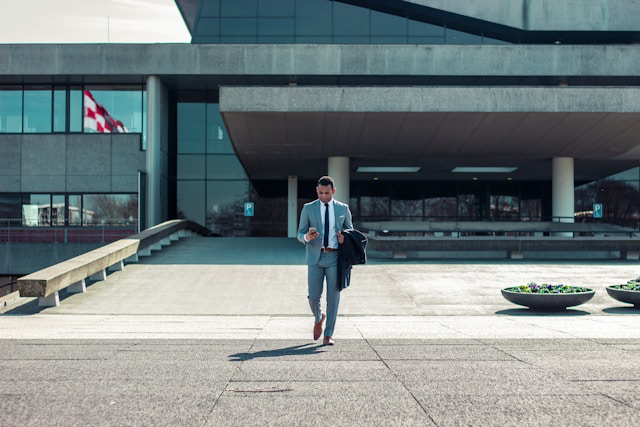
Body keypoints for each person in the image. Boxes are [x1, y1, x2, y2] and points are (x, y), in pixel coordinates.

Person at [297, 176, 353, 346]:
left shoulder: (343, 208)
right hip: (315, 257)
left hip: (335, 258)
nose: (323, 196)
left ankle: (328, 334)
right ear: (317, 190)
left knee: (333, 298)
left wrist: (345, 238)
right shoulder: (308, 208)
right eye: (320, 193)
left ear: (333, 191)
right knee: (313, 297)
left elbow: (351, 231)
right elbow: (299, 233)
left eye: (327, 193)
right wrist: (306, 237)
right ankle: (318, 317)